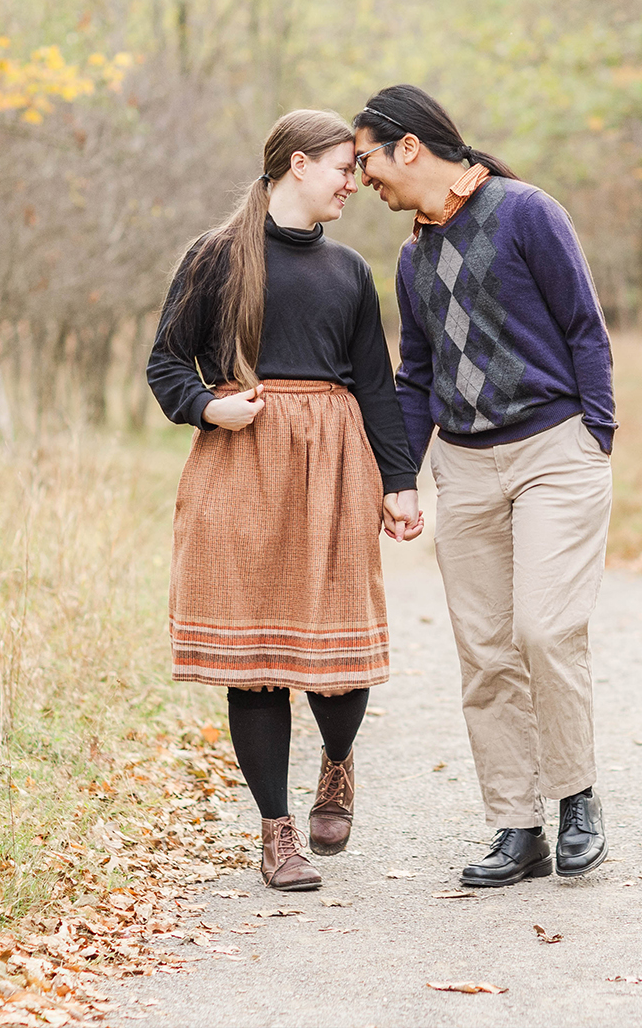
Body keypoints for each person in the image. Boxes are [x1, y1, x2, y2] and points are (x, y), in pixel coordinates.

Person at [147, 109, 423, 893]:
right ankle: (276, 833)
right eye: (343, 168)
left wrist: (398, 482)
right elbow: (165, 364)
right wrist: (209, 407)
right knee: (256, 664)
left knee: (338, 651)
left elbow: (376, 383)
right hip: (242, 460)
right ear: (298, 165)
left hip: (336, 462)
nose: (353, 183)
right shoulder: (215, 258)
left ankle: (337, 766)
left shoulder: (348, 272)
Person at [351, 84, 616, 887]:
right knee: (485, 653)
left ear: (408, 147)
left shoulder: (526, 211)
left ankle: (576, 798)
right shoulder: (411, 258)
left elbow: (584, 327)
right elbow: (417, 376)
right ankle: (516, 826)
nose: (362, 178)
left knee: (543, 629)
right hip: (463, 468)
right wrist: (402, 479)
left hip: (552, 451)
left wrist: (594, 434)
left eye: (365, 158)